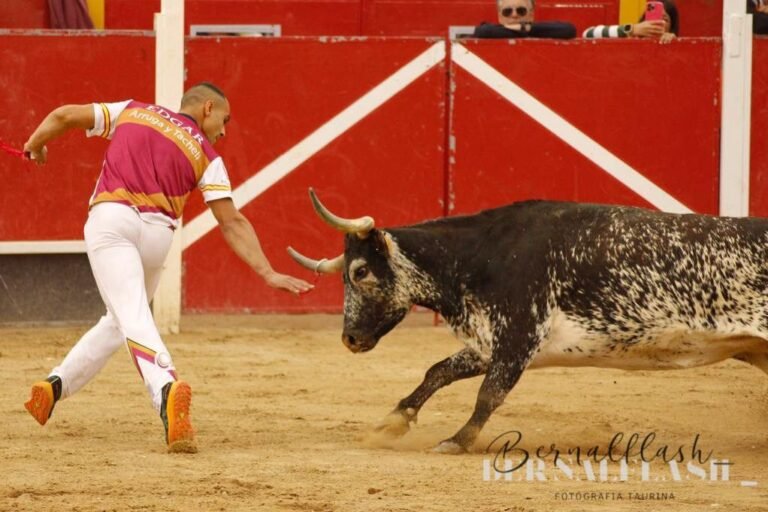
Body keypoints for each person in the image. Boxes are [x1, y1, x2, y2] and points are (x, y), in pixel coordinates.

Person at [22, 82, 314, 453]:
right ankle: (54, 387)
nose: (224, 131)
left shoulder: (132, 110)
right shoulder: (207, 154)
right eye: (225, 119)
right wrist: (267, 272)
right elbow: (232, 221)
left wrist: (35, 144)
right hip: (157, 234)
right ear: (208, 108)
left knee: (131, 315)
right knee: (121, 318)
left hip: (113, 220)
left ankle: (165, 387)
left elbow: (64, 115)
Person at [583, 0, 679, 43]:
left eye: (665, 19)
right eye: (654, 17)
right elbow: (587, 34)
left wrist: (674, 43)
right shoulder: (631, 37)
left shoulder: (673, 41)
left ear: (671, 26)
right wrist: (632, 29)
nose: (658, 22)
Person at [473, 0, 577, 39]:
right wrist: (523, 30)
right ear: (500, 16)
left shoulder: (540, 29)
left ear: (531, 13)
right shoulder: (488, 31)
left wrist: (525, 28)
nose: (514, 15)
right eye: (507, 11)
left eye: (521, 11)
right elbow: (483, 31)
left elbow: (569, 29)